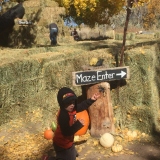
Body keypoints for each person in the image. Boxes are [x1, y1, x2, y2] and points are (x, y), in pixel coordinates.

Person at [53, 87, 99, 160]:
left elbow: (82, 105)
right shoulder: (63, 116)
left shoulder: (72, 108)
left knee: (72, 155)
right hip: (61, 144)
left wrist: (91, 100)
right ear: (62, 104)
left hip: (69, 142)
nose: (72, 105)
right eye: (68, 103)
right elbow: (66, 132)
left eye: (73, 102)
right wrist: (78, 125)